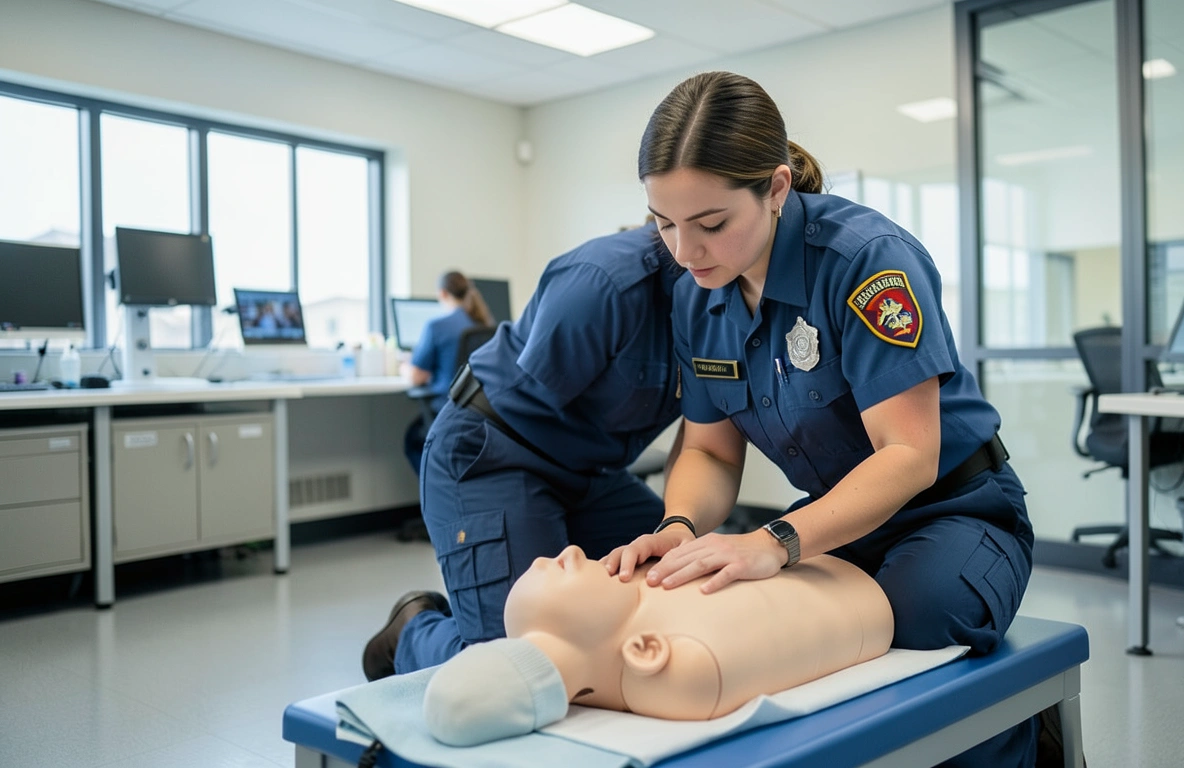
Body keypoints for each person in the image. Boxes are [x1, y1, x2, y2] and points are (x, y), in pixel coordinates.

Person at [602, 72, 1042, 768]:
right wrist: (678, 530)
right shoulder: (697, 298)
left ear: (776, 189)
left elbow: (907, 454)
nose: (685, 252)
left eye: (711, 224)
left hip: (955, 505)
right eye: (664, 224)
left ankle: (1020, 741)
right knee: (752, 620)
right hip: (837, 515)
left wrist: (774, 541)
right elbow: (711, 454)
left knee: (920, 617)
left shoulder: (865, 262)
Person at [363, 222, 684, 682]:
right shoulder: (605, 281)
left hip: (590, 470)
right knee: (522, 663)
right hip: (495, 452)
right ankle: (413, 632)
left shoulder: (726, 302)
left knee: (676, 597)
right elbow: (537, 409)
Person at [422, 545, 893, 746]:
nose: (566, 552)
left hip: (832, 562)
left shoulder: (639, 610)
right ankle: (415, 633)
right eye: (563, 568)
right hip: (857, 591)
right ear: (646, 652)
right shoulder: (682, 669)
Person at [401, 271, 494, 473]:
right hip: (478, 416)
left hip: (446, 412)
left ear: (442, 293)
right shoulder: (483, 324)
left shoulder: (436, 326)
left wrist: (404, 367)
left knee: (412, 440)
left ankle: (435, 492)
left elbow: (416, 377)